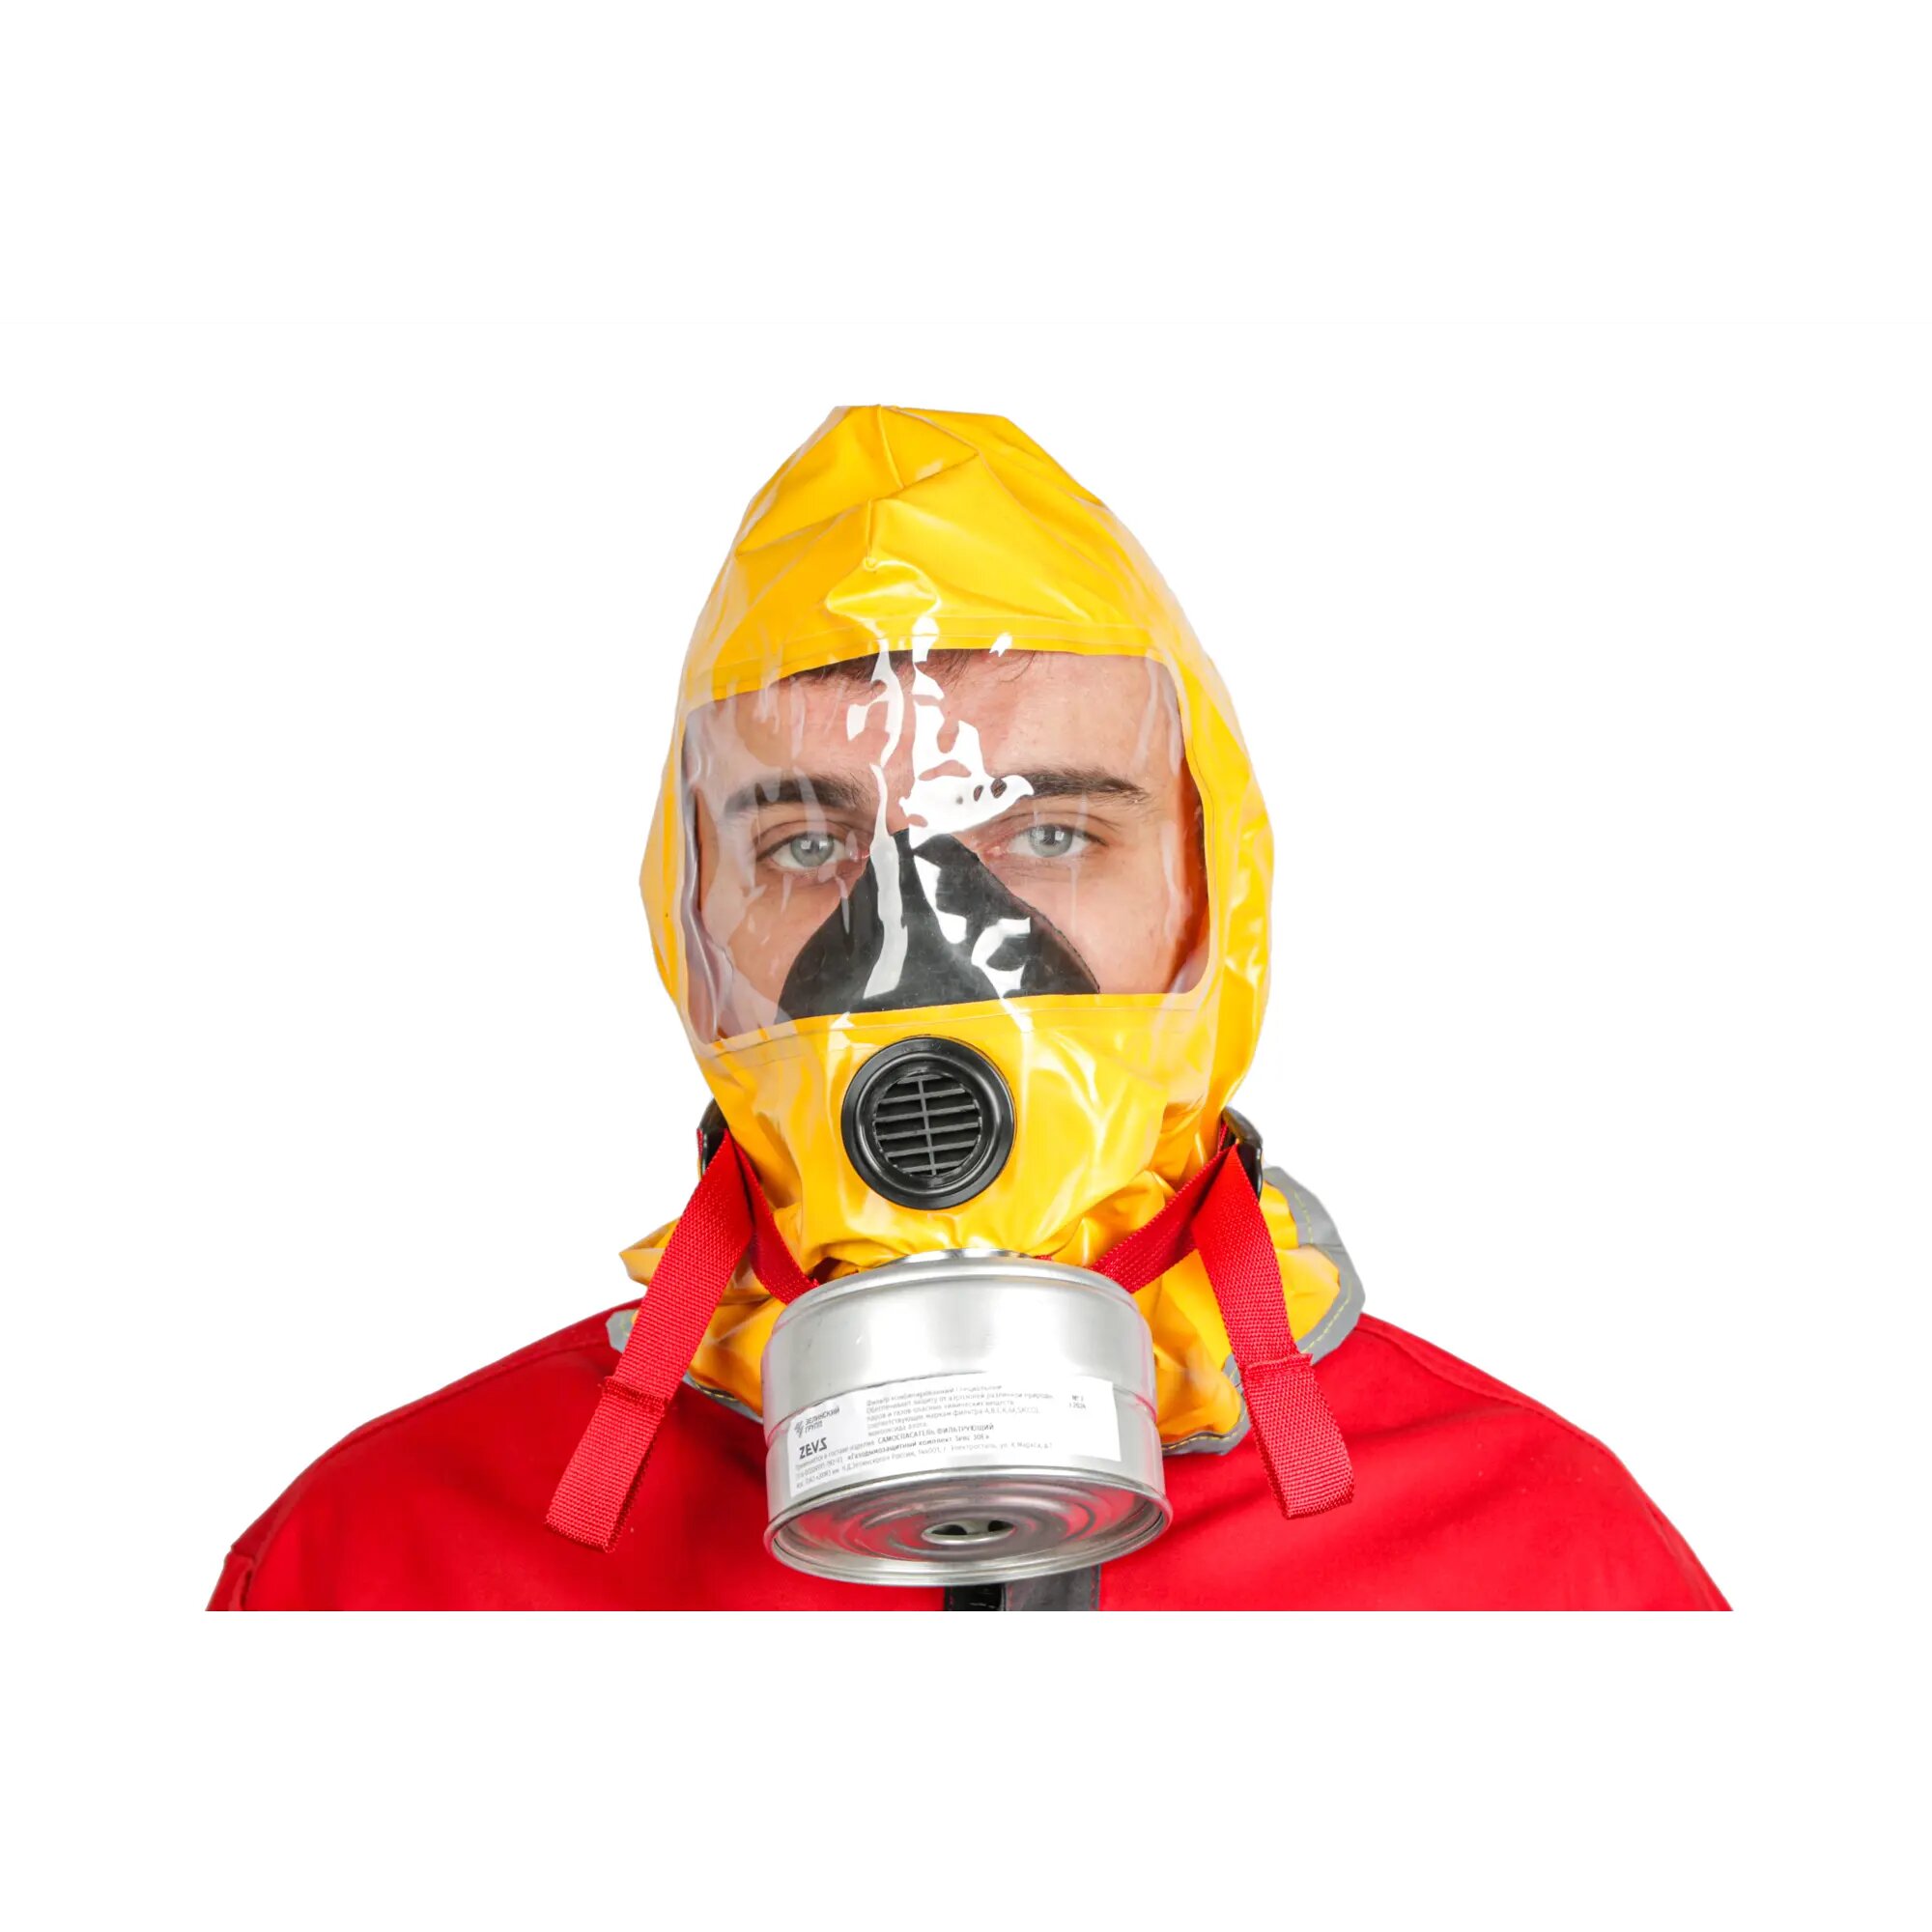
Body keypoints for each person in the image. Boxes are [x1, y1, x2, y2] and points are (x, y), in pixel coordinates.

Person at [209, 406, 1725, 1610]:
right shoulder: (382, 1564)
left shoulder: (1550, 1572)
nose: (922, 945)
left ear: (1215, 904)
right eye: (810, 845)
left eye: (1051, 831)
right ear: (691, 924)